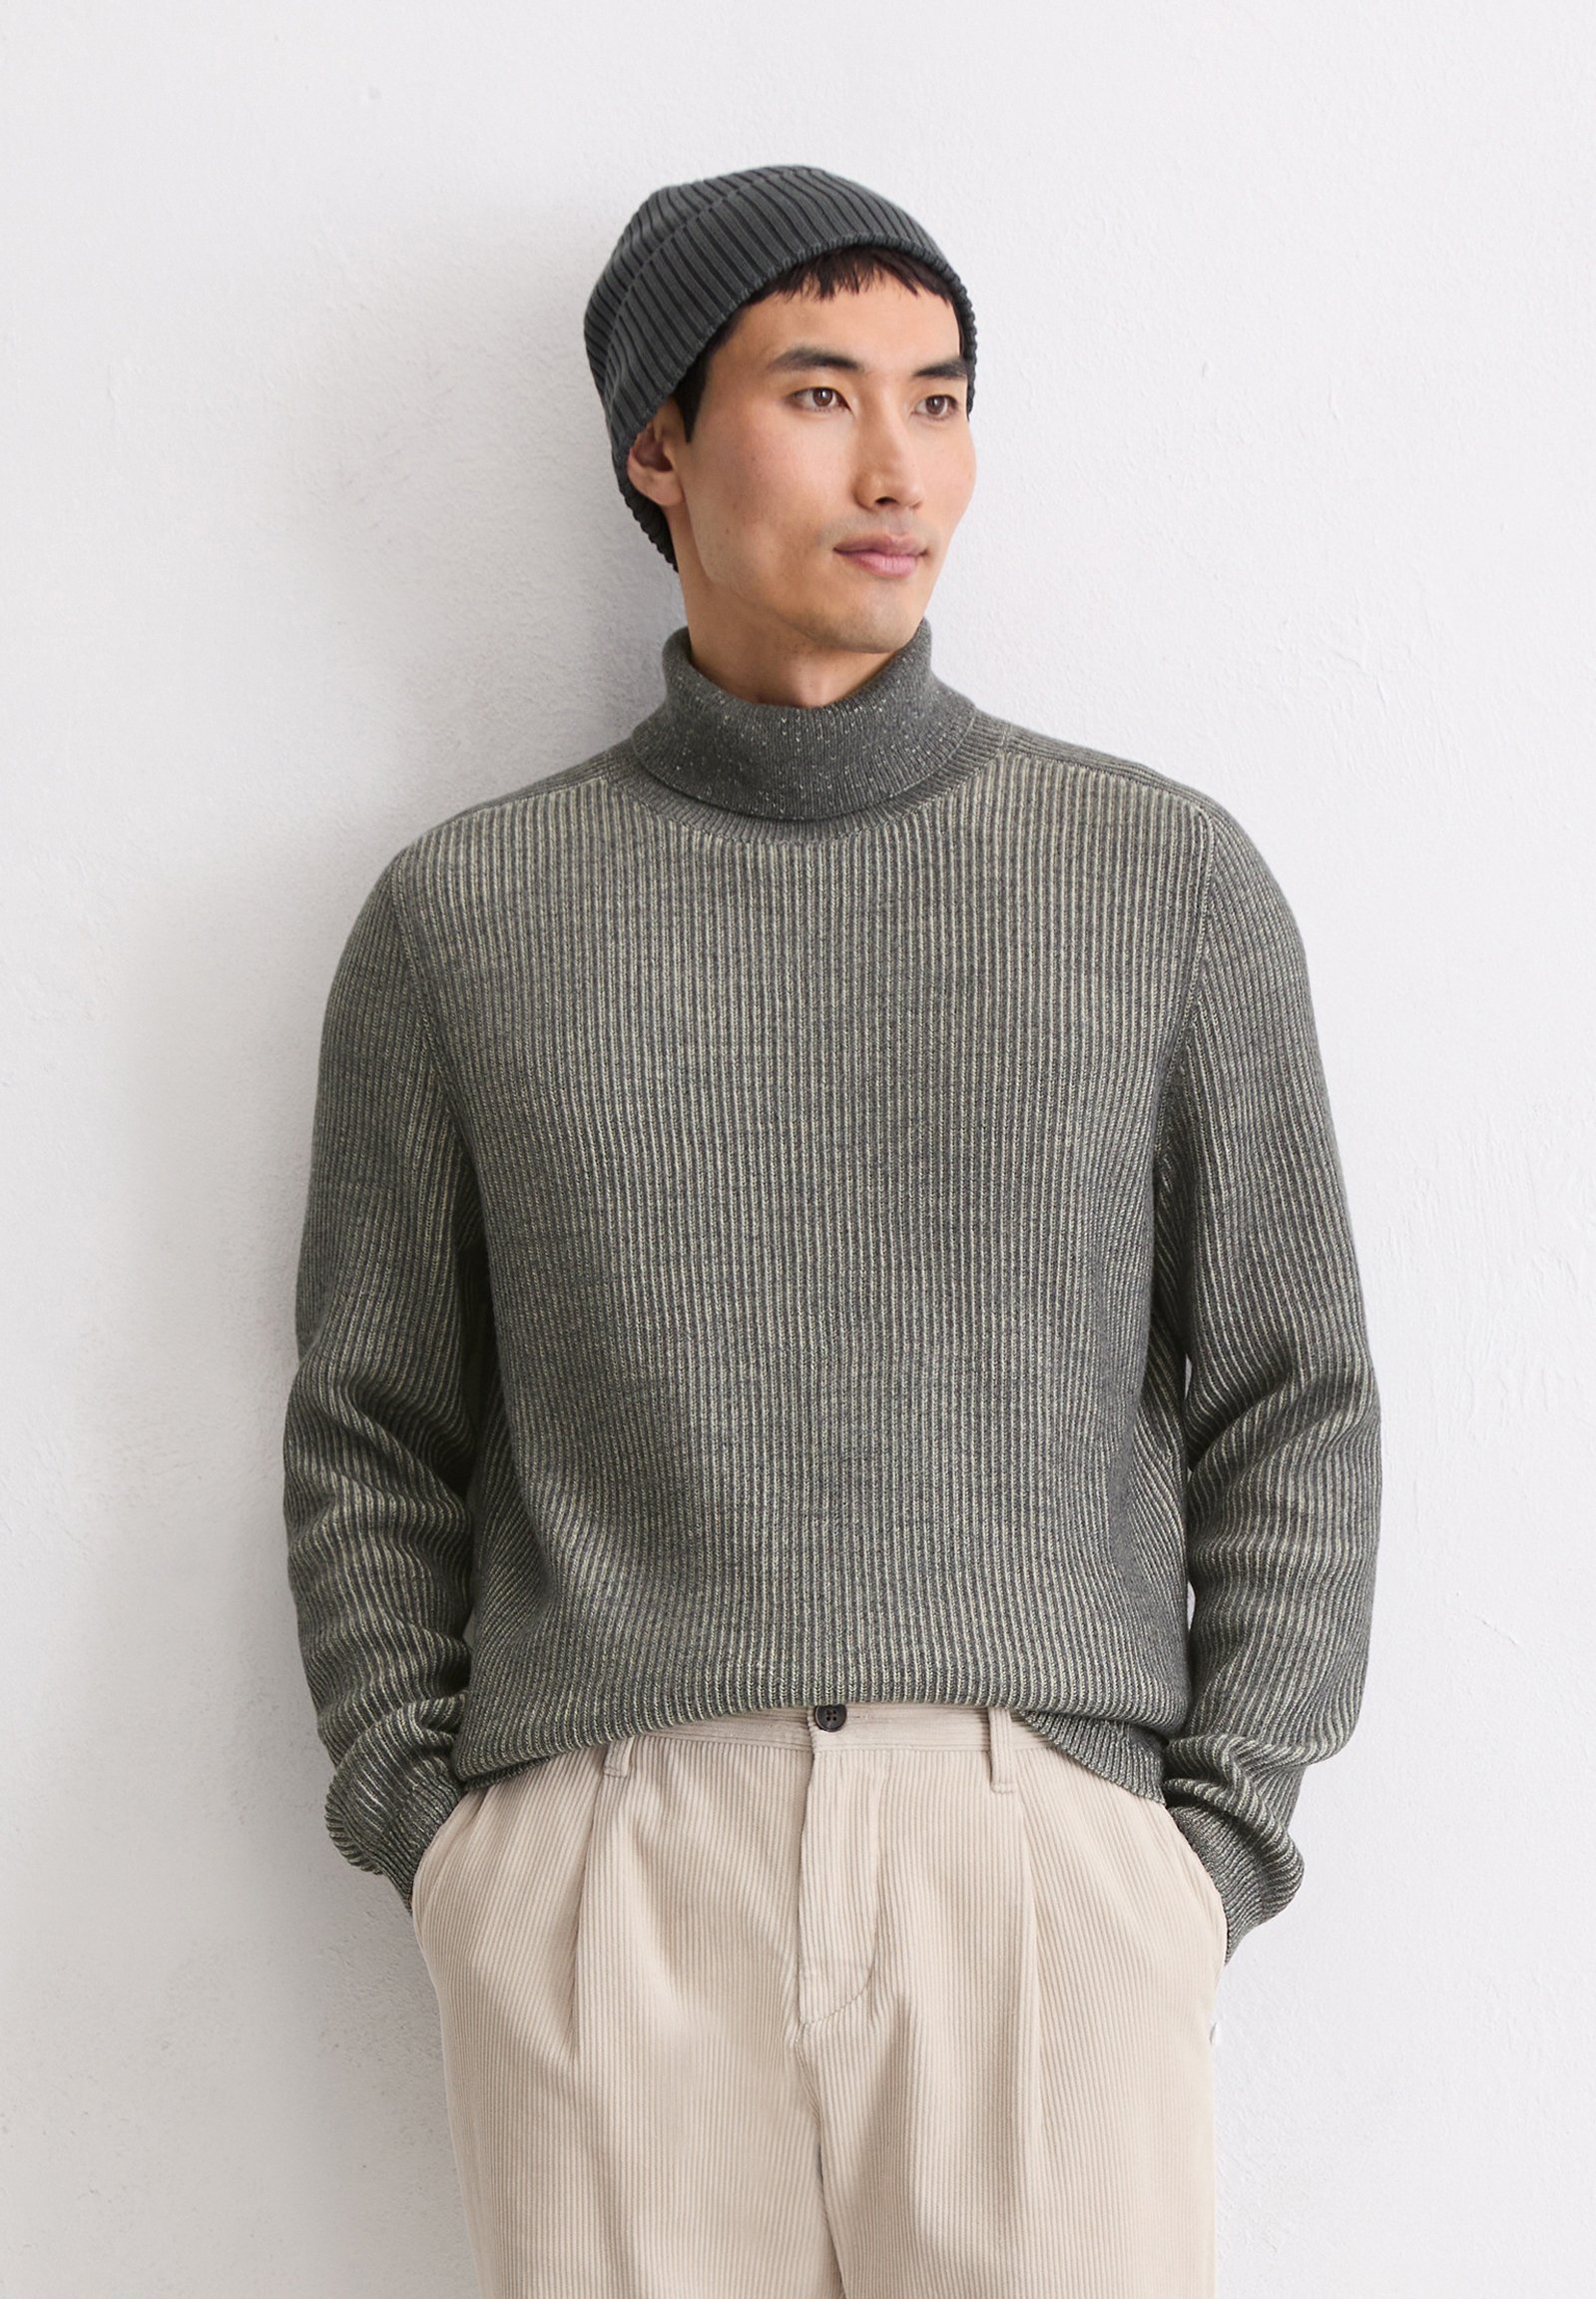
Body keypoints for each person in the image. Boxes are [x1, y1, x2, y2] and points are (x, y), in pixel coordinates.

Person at [282, 162, 1381, 2299]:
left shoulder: (1160, 881)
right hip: (608, 1869)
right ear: (658, 446)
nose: (901, 469)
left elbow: (1293, 1393)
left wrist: (1208, 1847)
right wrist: (446, 1848)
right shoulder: (465, 919)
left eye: (939, 397)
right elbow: (371, 1422)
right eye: (819, 393)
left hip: (1044, 1863)